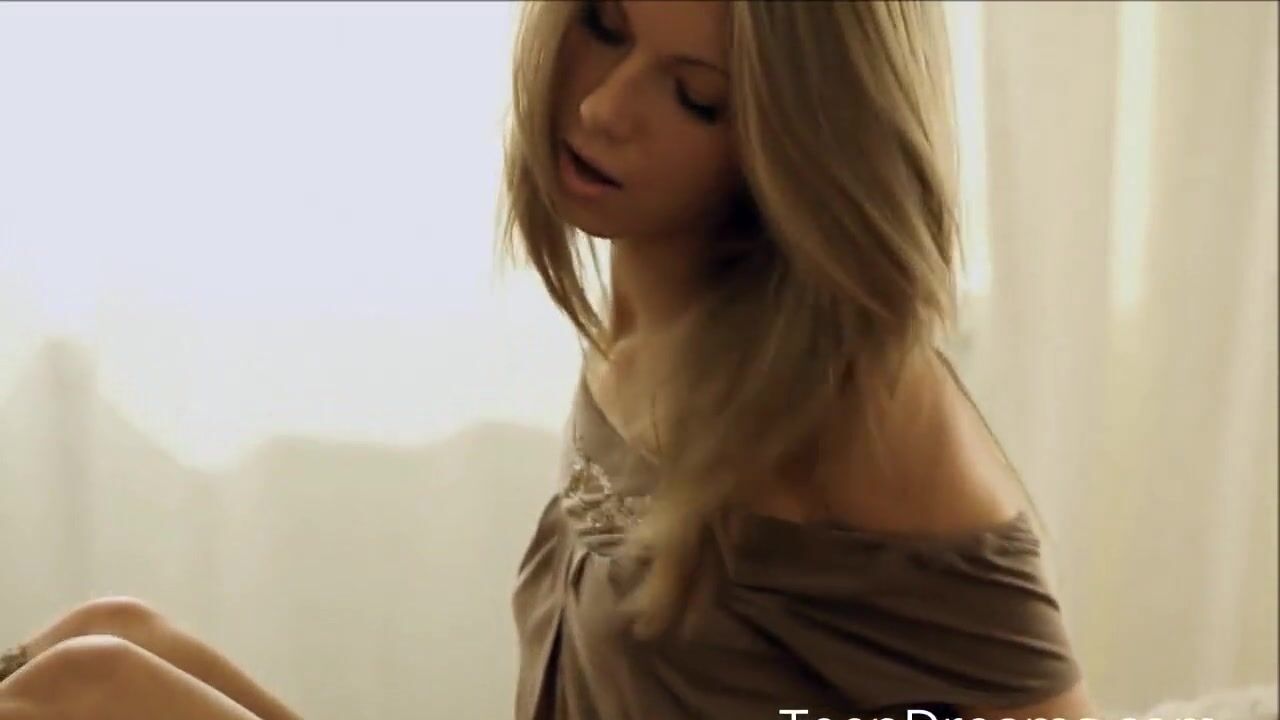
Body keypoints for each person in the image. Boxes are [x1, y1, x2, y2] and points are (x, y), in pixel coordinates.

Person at [0, 2, 1097, 719]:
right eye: (605, 26)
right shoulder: (639, 315)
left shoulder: (857, 397)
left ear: (792, 133)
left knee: (94, 685)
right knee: (112, 634)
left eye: (694, 95)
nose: (603, 108)